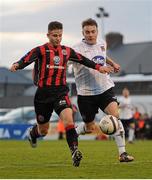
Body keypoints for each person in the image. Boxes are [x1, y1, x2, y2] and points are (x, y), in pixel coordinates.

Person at [10, 21, 113, 167]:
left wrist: (98, 67)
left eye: (60, 35)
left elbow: (83, 60)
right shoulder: (41, 50)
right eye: (54, 35)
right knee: (43, 130)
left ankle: (74, 151)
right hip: (43, 95)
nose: (57, 38)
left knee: (68, 120)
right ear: (48, 35)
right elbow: (27, 58)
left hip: (61, 92)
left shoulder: (67, 51)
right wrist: (17, 64)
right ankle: (33, 133)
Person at [71, 18, 134, 162]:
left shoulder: (101, 43)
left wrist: (113, 63)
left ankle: (122, 154)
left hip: (104, 89)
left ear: (97, 31)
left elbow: (103, 55)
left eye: (93, 31)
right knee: (90, 127)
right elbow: (65, 61)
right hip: (86, 94)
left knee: (115, 117)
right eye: (87, 32)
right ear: (83, 32)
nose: (90, 35)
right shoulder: (76, 49)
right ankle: (74, 131)